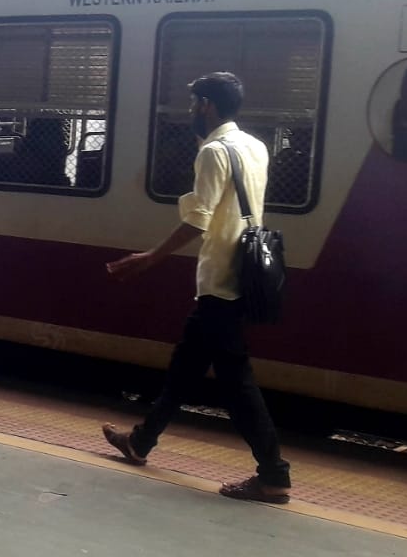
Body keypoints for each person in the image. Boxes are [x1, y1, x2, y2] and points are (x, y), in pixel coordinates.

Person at [102, 71, 292, 503]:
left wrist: (150, 258)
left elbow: (199, 218)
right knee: (185, 366)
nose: (190, 111)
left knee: (237, 382)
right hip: (243, 275)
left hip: (219, 281)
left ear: (205, 105)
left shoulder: (213, 152)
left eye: (193, 103)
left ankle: (274, 475)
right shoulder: (255, 146)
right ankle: (141, 440)